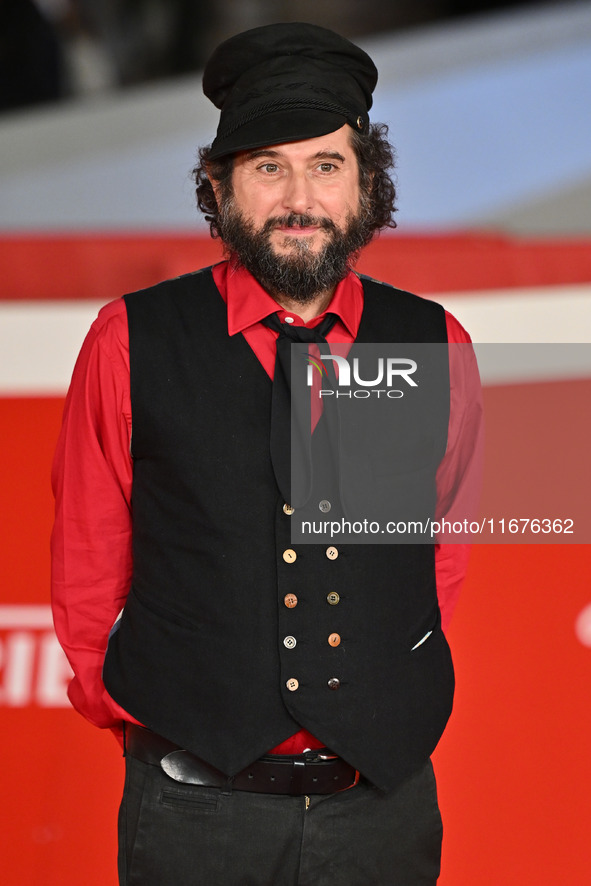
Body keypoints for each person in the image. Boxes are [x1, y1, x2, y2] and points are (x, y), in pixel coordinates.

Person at [51, 21, 483, 886]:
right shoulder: (130, 338)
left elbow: (439, 552)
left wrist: (382, 690)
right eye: (267, 166)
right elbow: (88, 562)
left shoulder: (430, 342)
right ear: (219, 187)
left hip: (381, 812)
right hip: (194, 812)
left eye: (326, 165)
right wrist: (158, 722)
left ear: (367, 184)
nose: (299, 195)